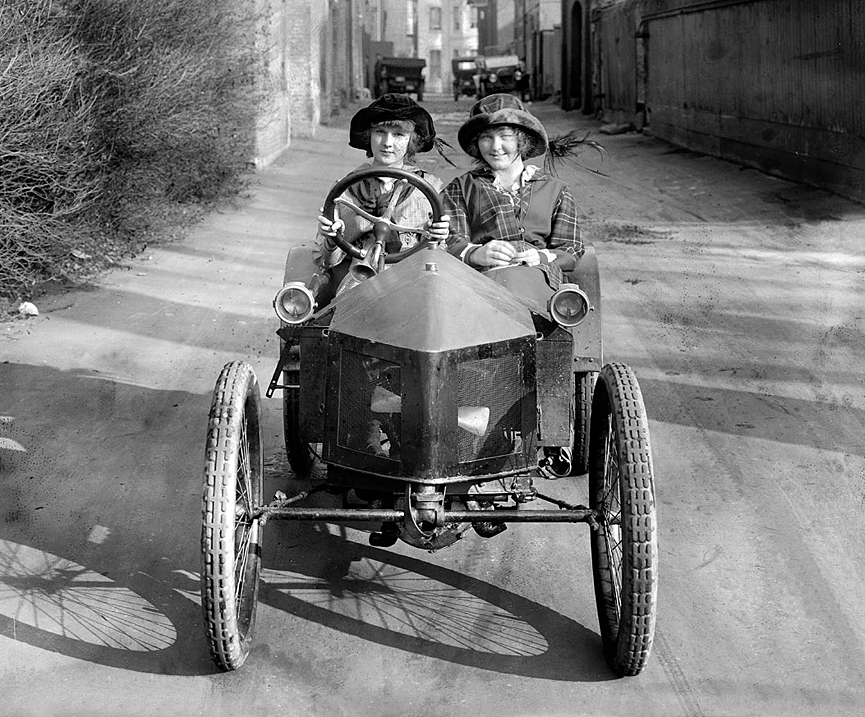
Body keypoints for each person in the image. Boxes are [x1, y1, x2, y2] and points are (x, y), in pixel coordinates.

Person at [442, 93, 584, 304]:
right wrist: (476, 254)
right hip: (480, 289)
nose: (495, 146)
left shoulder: (555, 190)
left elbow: (570, 249)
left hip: (540, 290)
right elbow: (450, 239)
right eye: (486, 137)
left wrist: (541, 256)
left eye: (505, 136)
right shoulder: (462, 188)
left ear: (522, 140)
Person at [316, 93, 450, 297]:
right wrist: (331, 237)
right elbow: (327, 261)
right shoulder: (344, 191)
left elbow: (439, 258)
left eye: (398, 135)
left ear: (412, 141)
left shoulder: (430, 189)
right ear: (368, 136)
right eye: (380, 132)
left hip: (415, 285)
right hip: (359, 282)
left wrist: (438, 238)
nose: (387, 142)